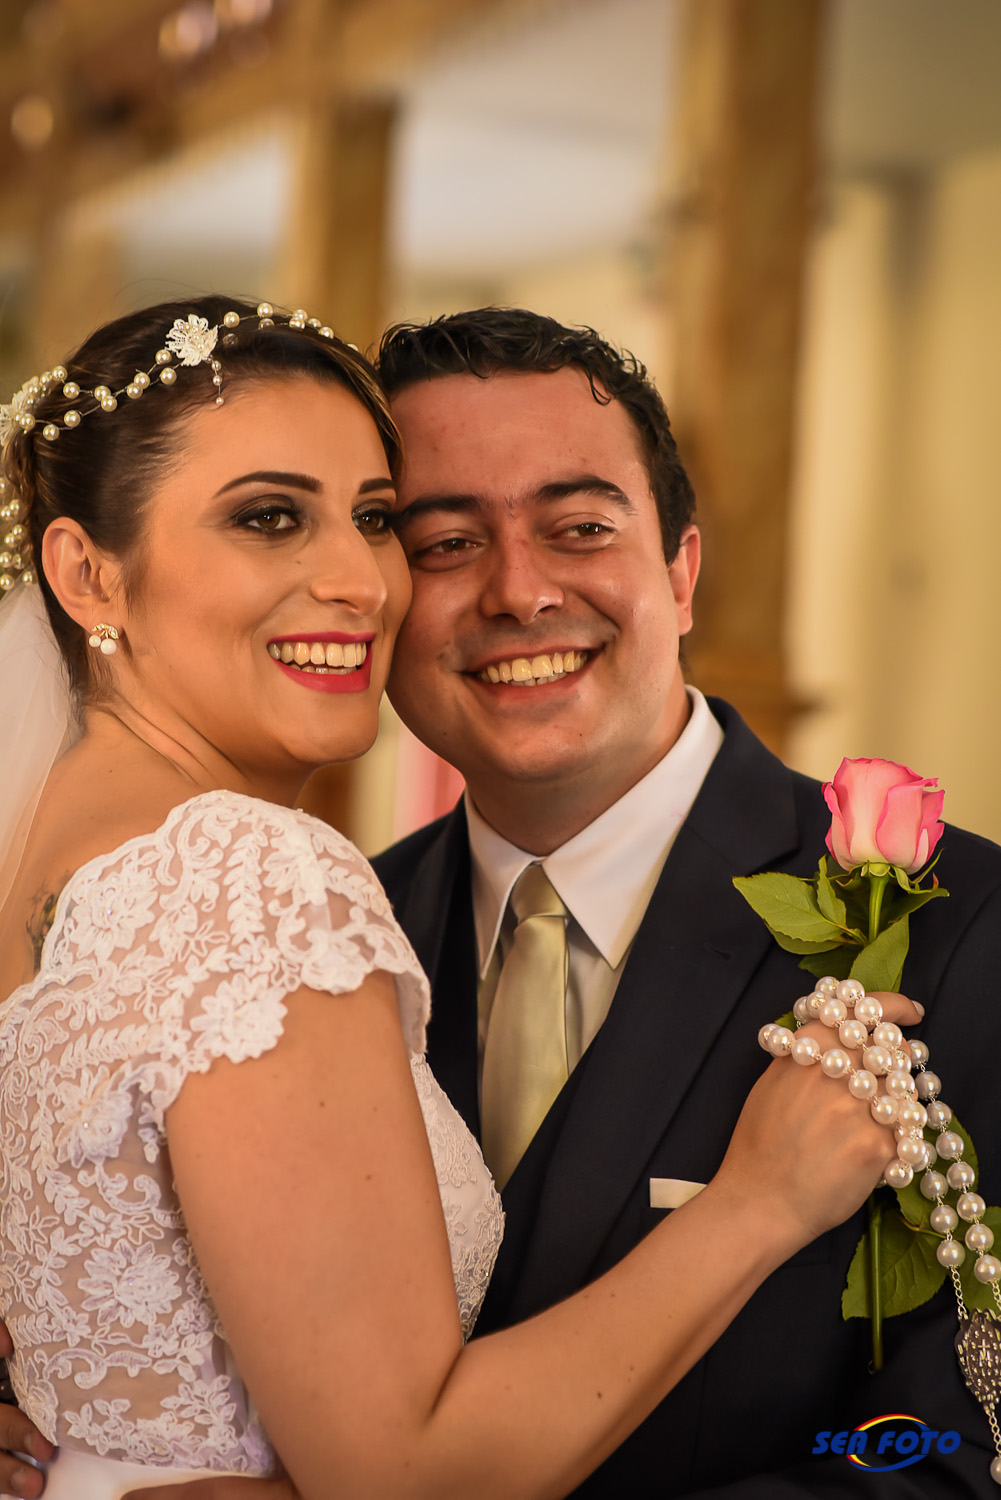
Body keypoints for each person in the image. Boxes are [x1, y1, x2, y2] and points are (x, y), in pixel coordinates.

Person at [0, 294, 913, 1500]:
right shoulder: (269, 891)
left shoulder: (54, 868)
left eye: (375, 520)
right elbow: (400, 1472)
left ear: (681, 571)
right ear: (85, 573)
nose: (356, 580)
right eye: (270, 518)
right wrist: (754, 1207)